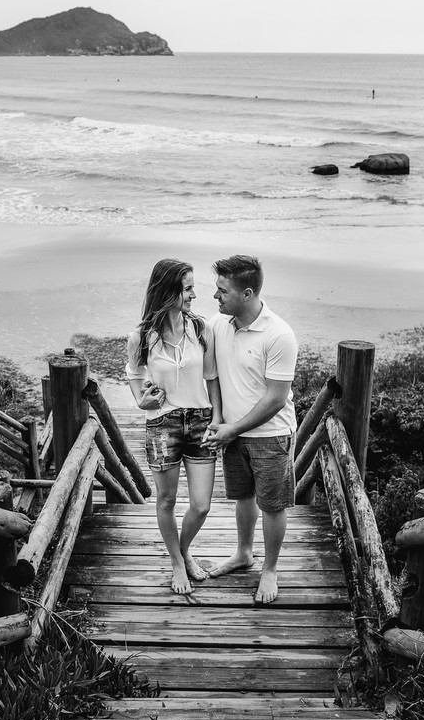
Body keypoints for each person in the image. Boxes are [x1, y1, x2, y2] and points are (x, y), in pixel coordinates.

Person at [202, 255, 298, 605]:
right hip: (232, 432)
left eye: (222, 290)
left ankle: (269, 569)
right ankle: (244, 553)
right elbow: (212, 375)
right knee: (242, 498)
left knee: (272, 505)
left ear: (246, 294)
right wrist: (218, 418)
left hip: (271, 436)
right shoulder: (218, 323)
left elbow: (276, 399)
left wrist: (232, 429)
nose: (215, 296)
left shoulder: (279, 335)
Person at [125, 259, 222, 595]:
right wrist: (142, 401)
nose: (194, 295)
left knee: (201, 505)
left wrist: (217, 419)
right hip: (162, 423)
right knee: (166, 501)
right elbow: (135, 375)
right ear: (168, 291)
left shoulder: (201, 328)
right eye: (188, 289)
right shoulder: (141, 336)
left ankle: (183, 549)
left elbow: (212, 377)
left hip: (200, 421)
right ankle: (179, 563)